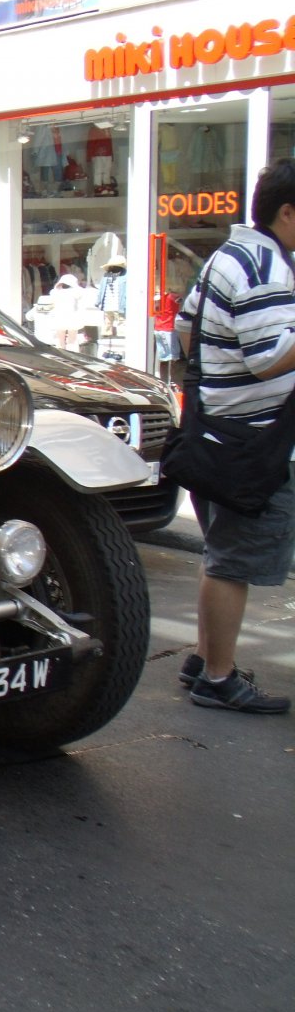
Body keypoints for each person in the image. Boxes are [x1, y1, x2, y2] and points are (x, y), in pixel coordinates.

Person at [175, 157, 295, 715]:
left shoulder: (231, 255)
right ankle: (218, 679)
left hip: (219, 435)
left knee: (222, 552)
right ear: (287, 212)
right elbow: (270, 357)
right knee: (234, 562)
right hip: (251, 441)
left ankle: (205, 659)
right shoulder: (264, 266)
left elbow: (185, 329)